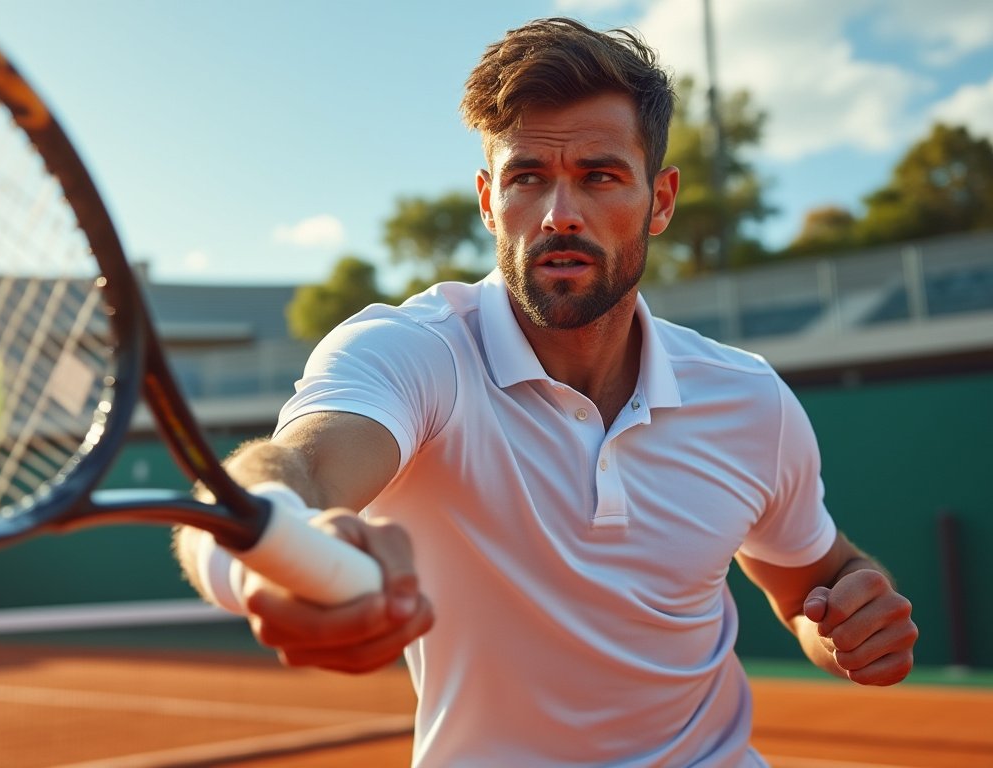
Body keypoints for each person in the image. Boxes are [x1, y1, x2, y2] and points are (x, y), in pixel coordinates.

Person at [174, 17, 918, 767]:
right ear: (489, 201)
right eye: (527, 176)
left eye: (600, 175)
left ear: (659, 201)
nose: (561, 213)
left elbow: (819, 578)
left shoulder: (750, 401)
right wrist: (271, 548)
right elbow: (292, 467)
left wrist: (849, 618)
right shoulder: (413, 353)